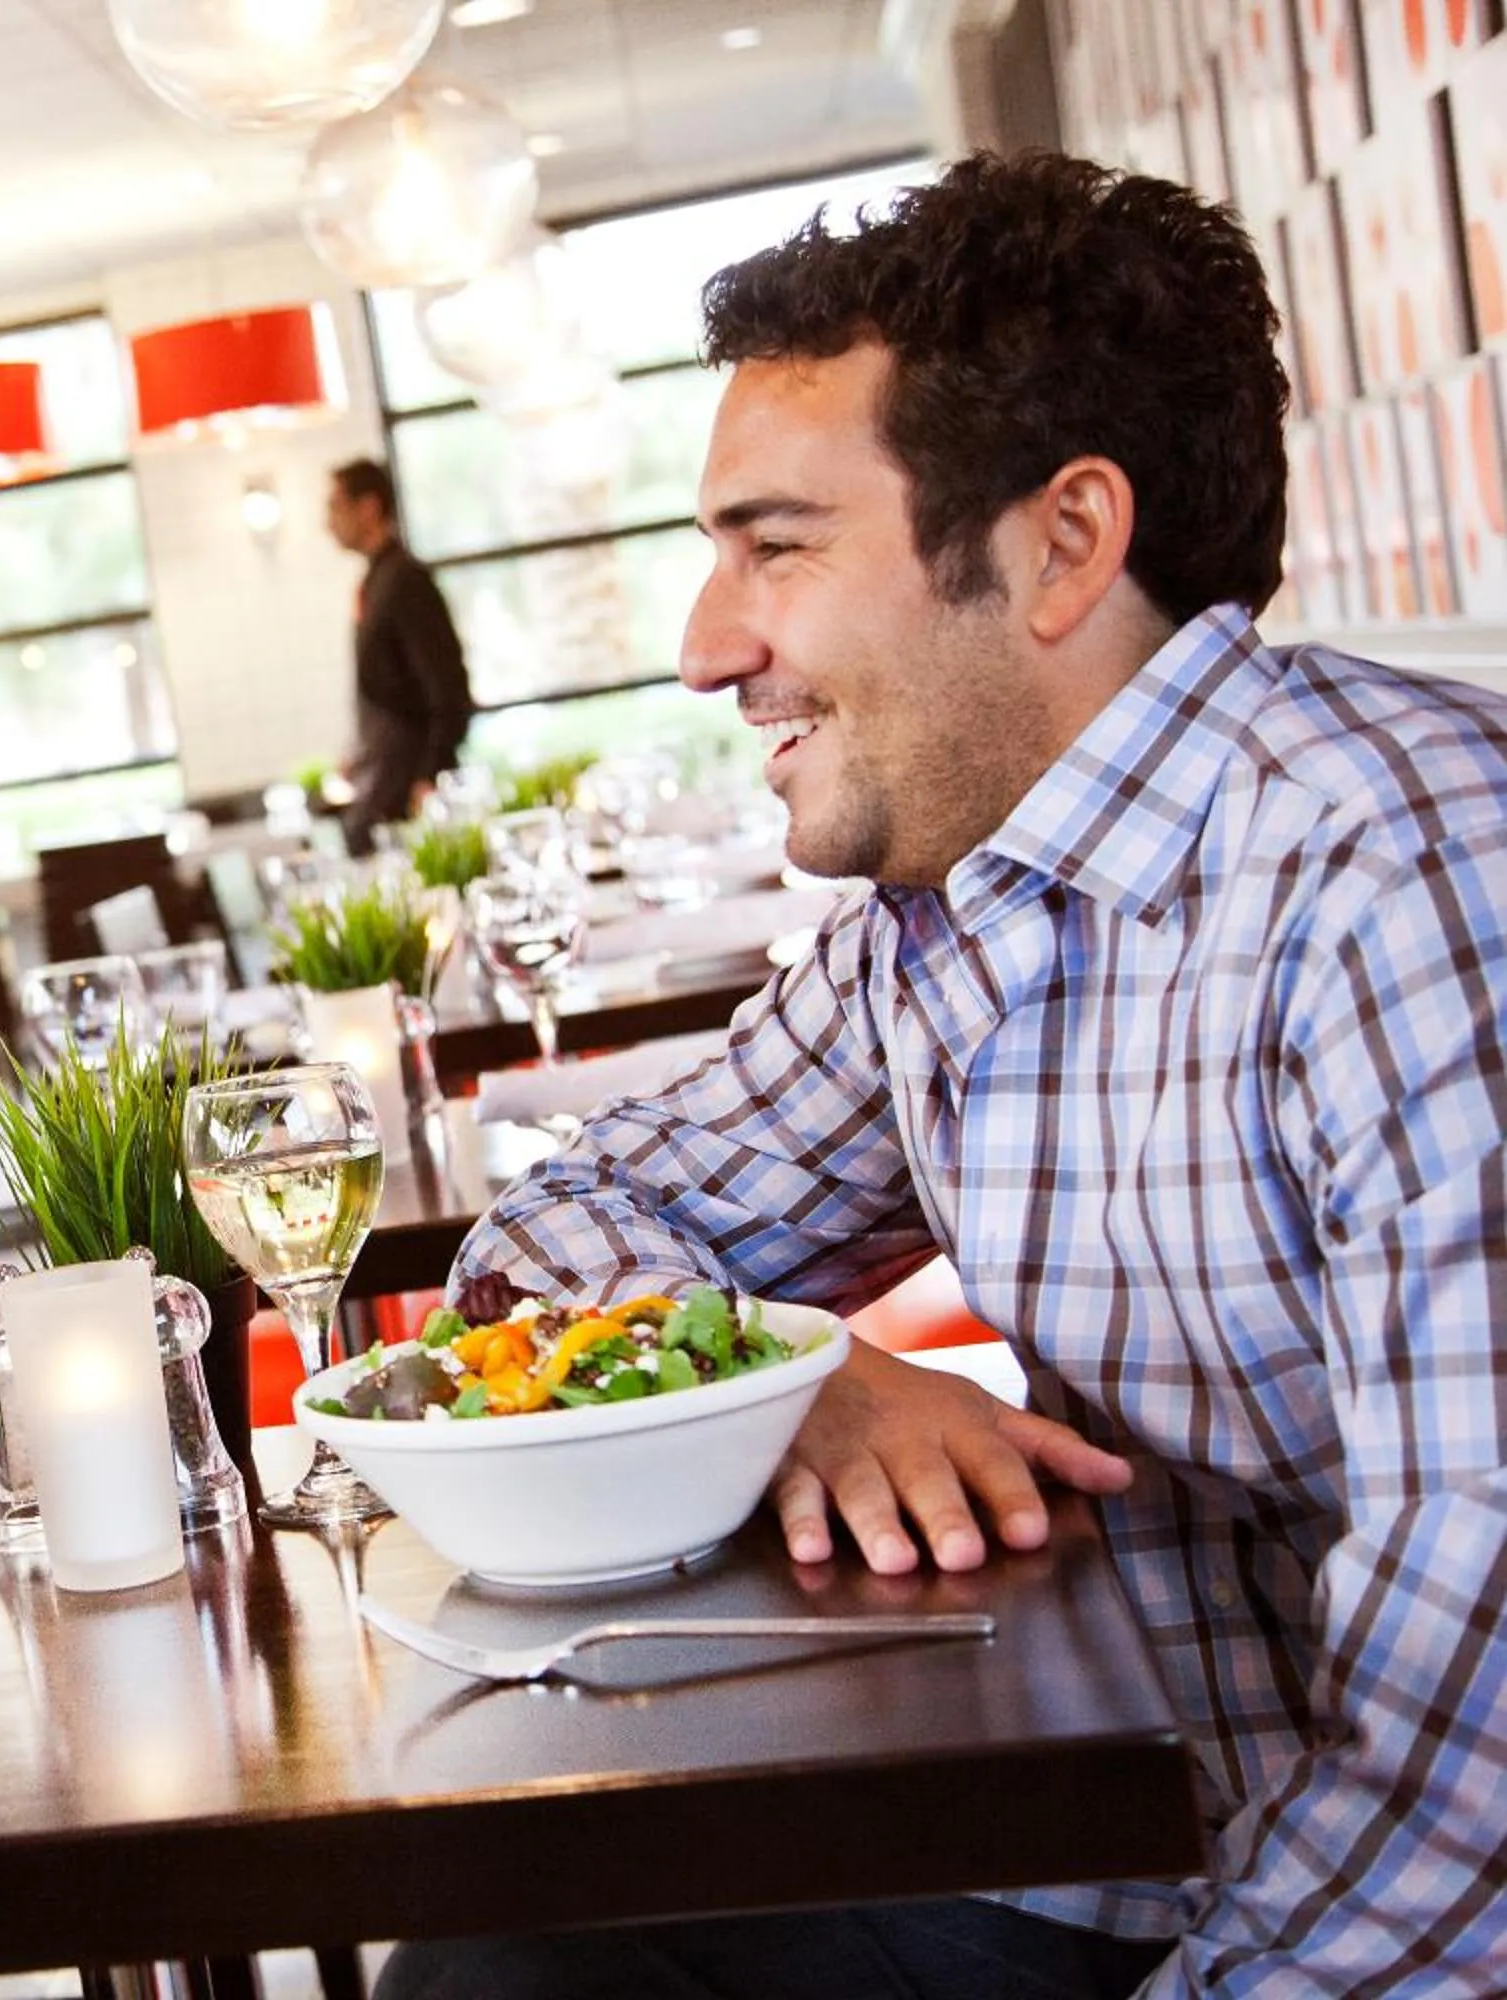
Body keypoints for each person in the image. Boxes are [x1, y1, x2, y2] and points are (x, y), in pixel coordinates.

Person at [400, 154, 1506, 1998]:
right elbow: (559, 1227)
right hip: (1140, 1840)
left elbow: (1481, 1743)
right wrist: (785, 1374)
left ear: (1063, 545)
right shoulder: (950, 913)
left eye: (779, 545)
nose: (705, 644)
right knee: (511, 1935)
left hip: (1362, 1926)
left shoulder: (1407, 881)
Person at [327, 457, 474, 854]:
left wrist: (429, 775)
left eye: (335, 506)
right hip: (381, 776)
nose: (328, 523)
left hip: (409, 787)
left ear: (369, 507)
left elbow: (447, 687)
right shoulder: (375, 581)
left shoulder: (406, 581)